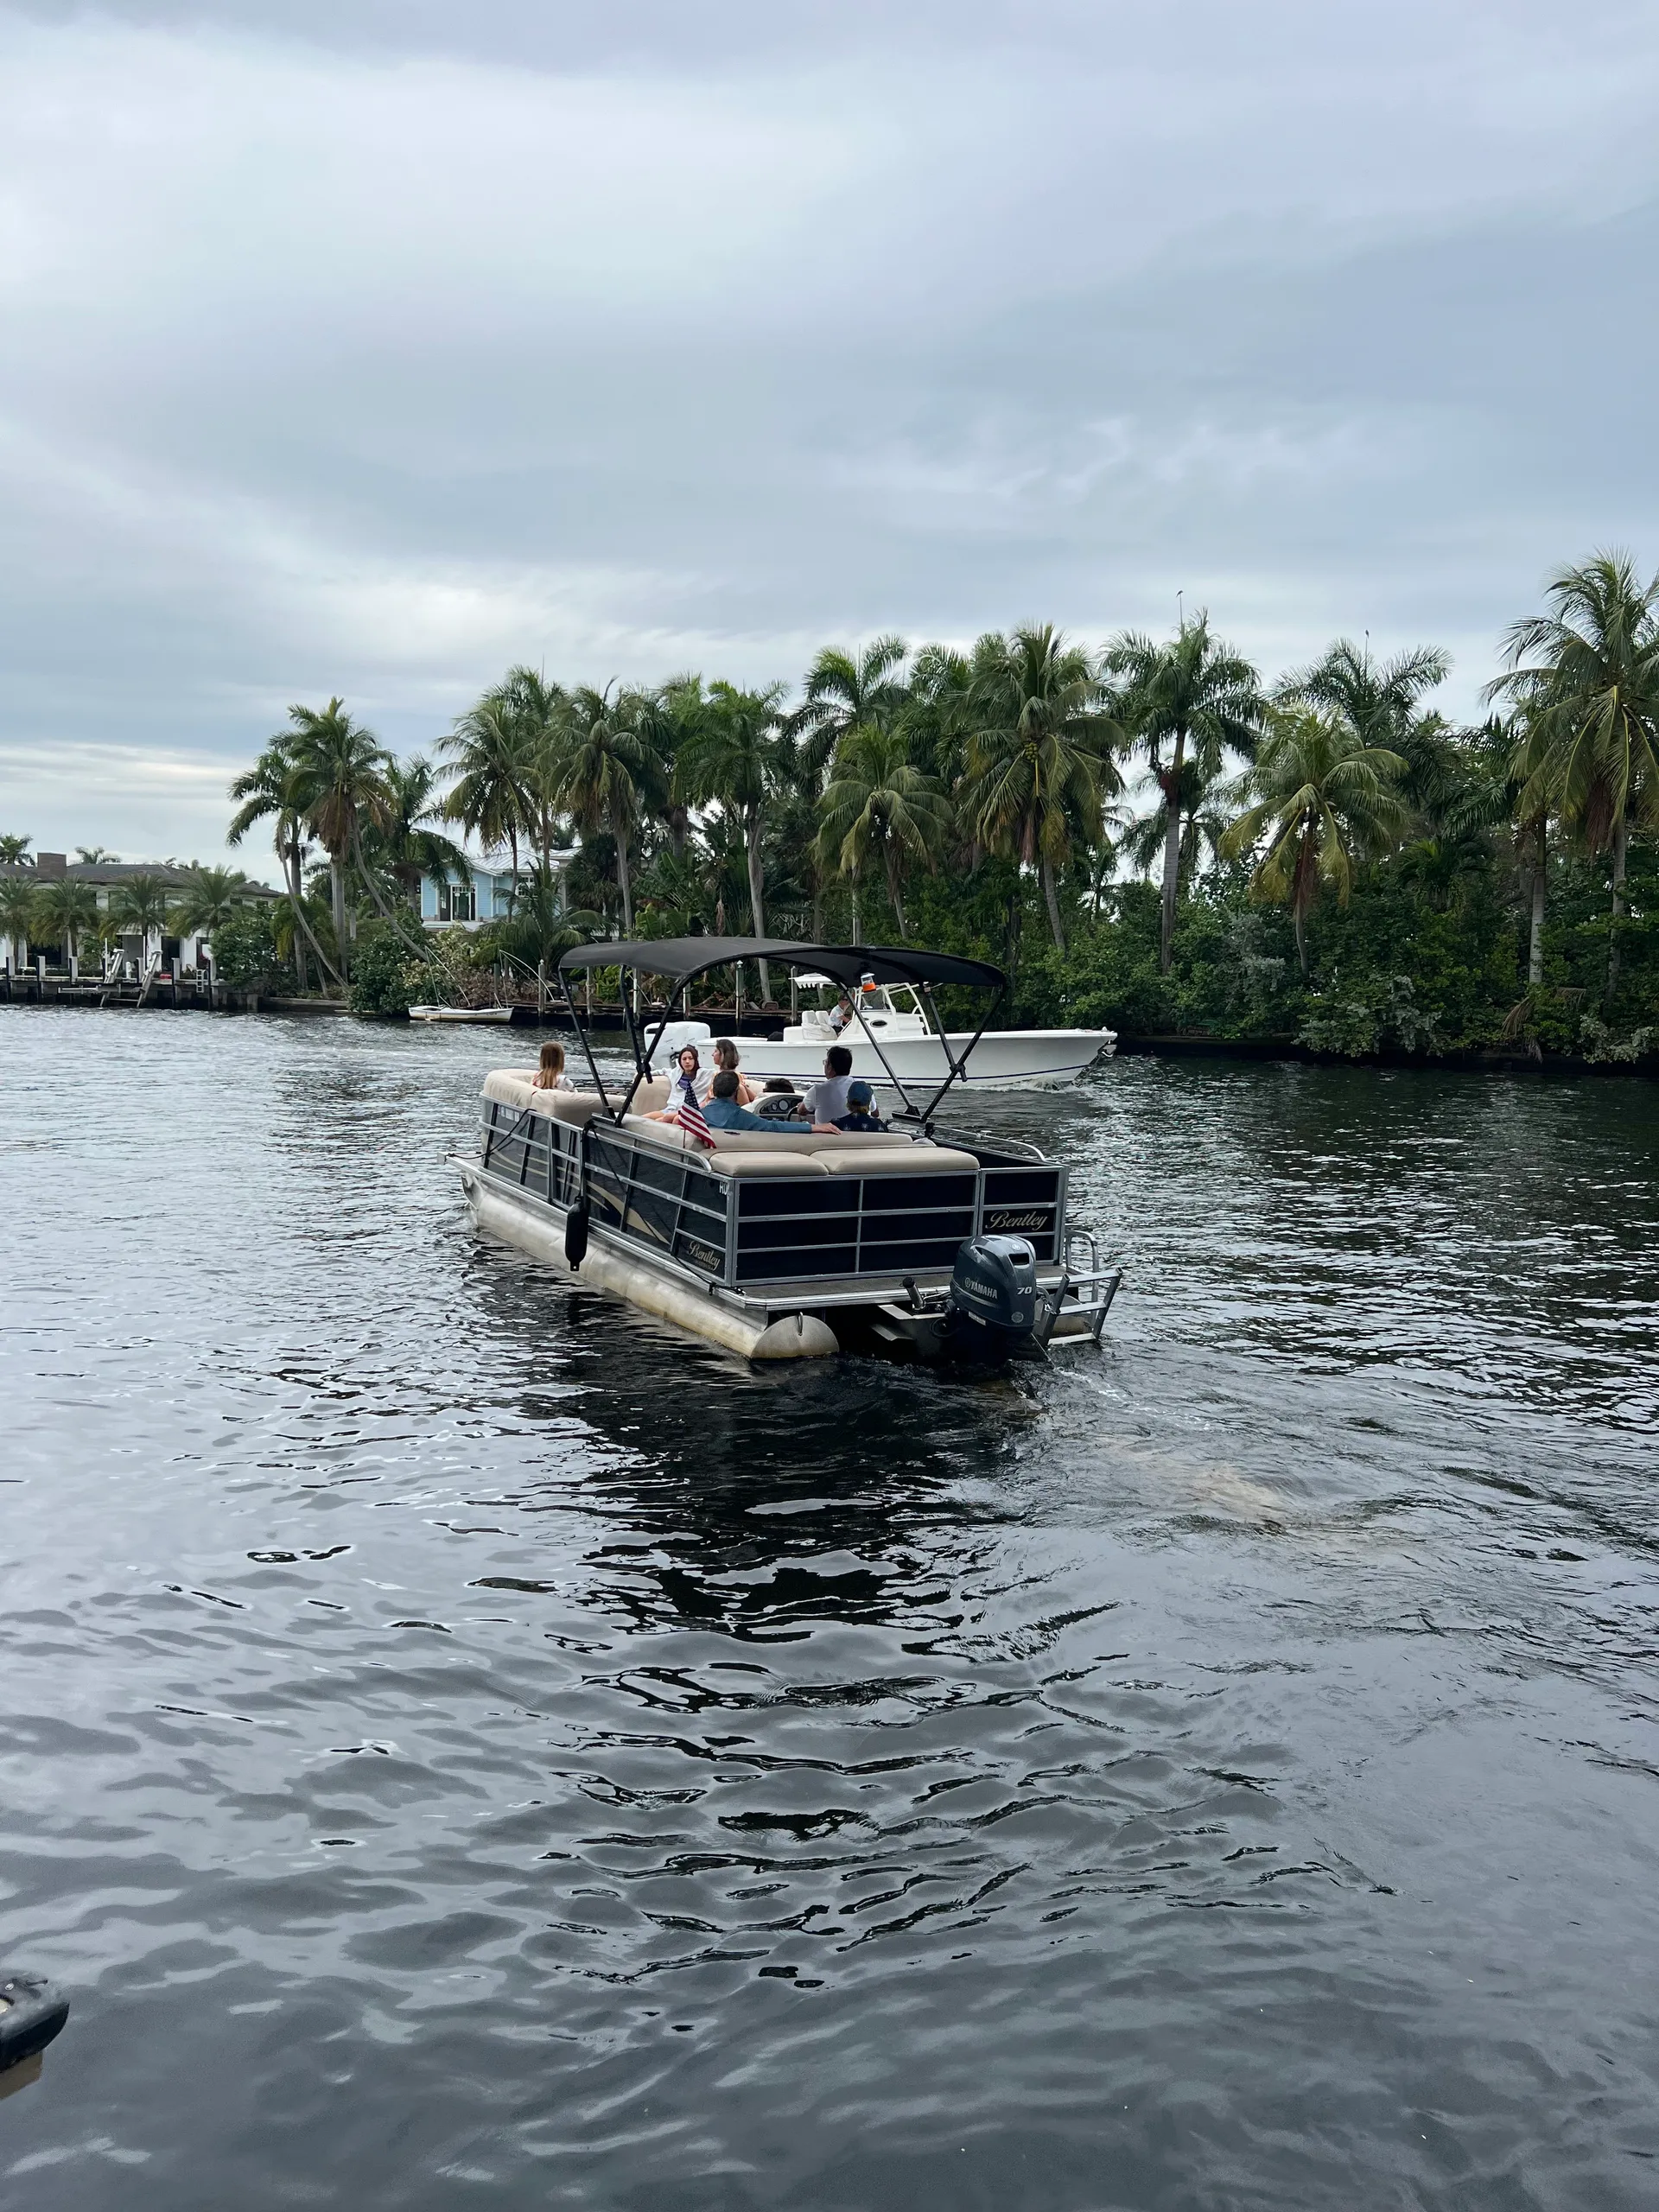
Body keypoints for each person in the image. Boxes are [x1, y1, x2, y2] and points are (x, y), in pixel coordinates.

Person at [646, 1044, 709, 1120]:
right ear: (680, 1061)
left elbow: (720, 1074)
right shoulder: (676, 1073)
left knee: (660, 1120)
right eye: (684, 1059)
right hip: (670, 1109)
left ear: (695, 1060)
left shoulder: (705, 1074)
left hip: (688, 1112)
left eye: (690, 1058)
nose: (687, 1061)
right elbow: (663, 1071)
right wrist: (642, 1074)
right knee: (643, 1118)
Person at [802, 1045, 855, 1132]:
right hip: (857, 1141)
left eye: (825, 1062)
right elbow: (875, 1113)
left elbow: (802, 1111)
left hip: (826, 1141)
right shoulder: (862, 1088)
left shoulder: (818, 1090)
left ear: (830, 1067)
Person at [701, 1069, 772, 1133]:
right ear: (736, 1091)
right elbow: (771, 1127)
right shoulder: (744, 1118)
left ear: (713, 1090)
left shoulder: (698, 1116)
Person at [710, 1036, 759, 1104]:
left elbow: (745, 1106)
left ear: (723, 1055)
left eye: (715, 1051)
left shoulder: (736, 1077)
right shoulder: (716, 1074)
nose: (712, 1054)